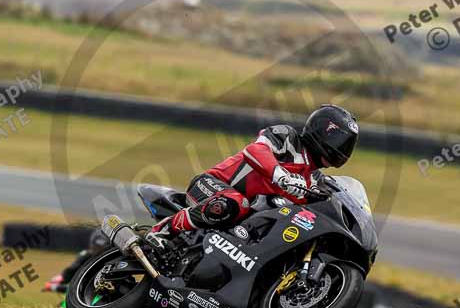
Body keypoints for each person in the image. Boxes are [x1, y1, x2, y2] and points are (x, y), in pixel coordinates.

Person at [145, 104, 359, 253]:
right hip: (212, 185)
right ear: (324, 130)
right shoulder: (288, 137)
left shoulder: (315, 180)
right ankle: (163, 230)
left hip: (243, 220)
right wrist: (281, 175)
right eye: (340, 140)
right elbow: (255, 150)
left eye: (347, 144)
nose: (342, 148)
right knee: (234, 203)